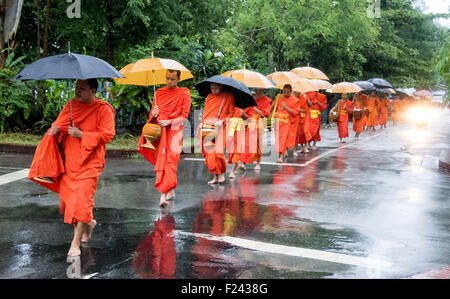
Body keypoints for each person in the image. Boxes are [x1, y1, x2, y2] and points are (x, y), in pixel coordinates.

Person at [28, 79, 115, 257]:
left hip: (90, 163)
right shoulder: (70, 106)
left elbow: (107, 135)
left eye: (81, 89)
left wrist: (82, 135)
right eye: (76, 88)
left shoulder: (103, 109)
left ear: (92, 91)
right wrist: (54, 130)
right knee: (74, 202)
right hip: (70, 162)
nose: (77, 92)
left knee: (83, 201)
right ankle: (88, 223)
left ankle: (74, 243)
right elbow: (59, 125)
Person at [138, 70, 191, 207]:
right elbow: (152, 117)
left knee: (170, 161)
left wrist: (170, 122)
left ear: (178, 79)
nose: (169, 81)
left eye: (173, 79)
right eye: (167, 78)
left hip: (174, 132)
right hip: (159, 132)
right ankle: (169, 191)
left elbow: (184, 117)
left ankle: (163, 195)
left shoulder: (184, 93)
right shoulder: (159, 93)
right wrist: (154, 115)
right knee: (163, 161)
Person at [198, 83, 235, 184]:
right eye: (212, 88)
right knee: (209, 152)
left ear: (221, 87)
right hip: (208, 126)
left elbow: (231, 113)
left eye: (216, 88)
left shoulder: (228, 96)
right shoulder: (209, 96)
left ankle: (221, 173)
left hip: (221, 127)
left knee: (218, 152)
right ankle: (215, 176)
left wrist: (222, 121)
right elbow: (206, 111)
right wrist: (202, 123)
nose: (213, 90)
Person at [239, 88, 272, 170]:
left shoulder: (267, 100)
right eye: (256, 89)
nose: (258, 90)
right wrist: (243, 114)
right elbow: (245, 114)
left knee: (257, 144)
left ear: (263, 89)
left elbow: (266, 114)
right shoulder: (250, 98)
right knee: (248, 143)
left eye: (260, 89)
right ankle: (244, 163)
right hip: (250, 123)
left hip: (259, 123)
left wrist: (255, 108)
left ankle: (258, 163)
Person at [274, 84, 300, 163]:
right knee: (278, 139)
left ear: (291, 91)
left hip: (286, 122)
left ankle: (281, 156)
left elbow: (295, 112)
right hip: (278, 121)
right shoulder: (279, 97)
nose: (286, 93)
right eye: (284, 91)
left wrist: (286, 108)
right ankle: (283, 152)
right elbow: (274, 107)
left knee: (283, 139)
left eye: (288, 92)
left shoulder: (295, 100)